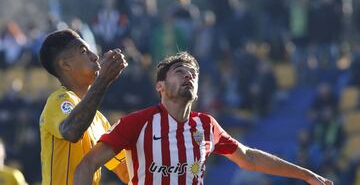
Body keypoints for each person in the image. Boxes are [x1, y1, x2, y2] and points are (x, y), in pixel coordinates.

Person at [74, 51, 333, 185]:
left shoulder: (206, 126)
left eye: (193, 75)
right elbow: (87, 165)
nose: (188, 76)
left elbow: (249, 158)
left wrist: (305, 175)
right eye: (179, 72)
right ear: (160, 87)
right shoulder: (137, 123)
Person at [38, 29, 129, 185]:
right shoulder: (59, 100)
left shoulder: (99, 120)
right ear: (65, 64)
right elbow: (71, 131)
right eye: (83, 52)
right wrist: (103, 80)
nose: (95, 57)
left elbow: (126, 170)